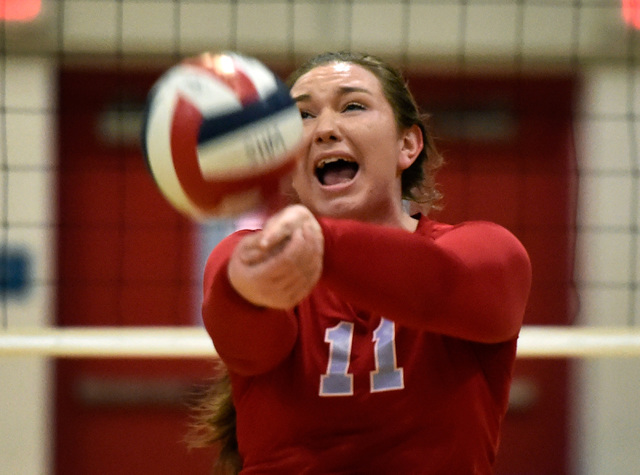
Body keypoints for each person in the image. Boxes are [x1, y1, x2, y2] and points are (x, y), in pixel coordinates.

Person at [190, 51, 532, 474]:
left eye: (353, 106)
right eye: (302, 116)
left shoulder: (488, 250)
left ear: (407, 145)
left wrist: (323, 244)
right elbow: (251, 348)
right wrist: (245, 289)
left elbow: (440, 285)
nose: (325, 130)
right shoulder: (245, 254)